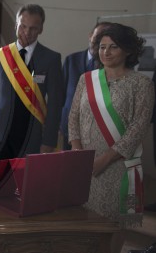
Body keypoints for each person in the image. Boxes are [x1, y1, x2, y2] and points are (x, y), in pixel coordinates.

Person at [69, 23, 154, 252]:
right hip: (85, 167)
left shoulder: (142, 84)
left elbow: (138, 129)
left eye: (113, 47)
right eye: (102, 46)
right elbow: (73, 117)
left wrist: (104, 161)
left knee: (113, 230)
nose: (105, 52)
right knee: (83, 229)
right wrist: (78, 154)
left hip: (118, 168)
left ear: (127, 50)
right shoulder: (86, 80)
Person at [0, 4, 64, 177]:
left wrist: (49, 140)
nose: (27, 32)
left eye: (33, 28)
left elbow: (56, 103)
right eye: (23, 26)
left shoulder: (51, 58)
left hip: (32, 135)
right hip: (0, 132)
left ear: (41, 29)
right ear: (16, 25)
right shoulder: (1, 54)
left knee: (27, 186)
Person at [60, 22, 112, 150]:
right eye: (98, 36)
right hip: (69, 131)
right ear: (90, 36)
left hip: (99, 132)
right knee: (69, 168)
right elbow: (60, 95)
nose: (99, 41)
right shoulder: (71, 60)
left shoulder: (111, 66)